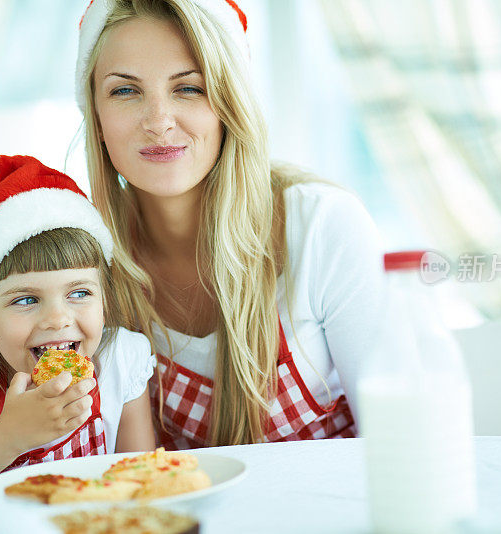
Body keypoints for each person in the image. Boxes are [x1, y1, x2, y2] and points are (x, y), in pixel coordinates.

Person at [75, 0, 386, 448]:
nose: (159, 122)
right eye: (125, 91)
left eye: (189, 88)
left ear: (229, 105)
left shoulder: (321, 227)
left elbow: (401, 442)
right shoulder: (81, 265)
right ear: (96, 117)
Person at [0, 155, 156, 494]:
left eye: (79, 292)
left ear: (104, 303)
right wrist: (8, 437)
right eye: (25, 300)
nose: (57, 319)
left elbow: (144, 481)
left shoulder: (120, 361)